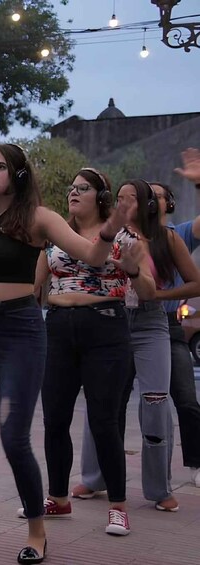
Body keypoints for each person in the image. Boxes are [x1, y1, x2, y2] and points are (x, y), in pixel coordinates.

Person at [0, 142, 133, 563]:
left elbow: (94, 257)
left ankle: (38, 532)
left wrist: (110, 230)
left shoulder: (40, 218)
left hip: (21, 332)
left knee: (13, 437)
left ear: (19, 175)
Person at [33, 169, 154, 537]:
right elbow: (35, 285)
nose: (73, 193)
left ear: (101, 197)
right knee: (54, 418)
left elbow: (147, 291)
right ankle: (57, 497)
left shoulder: (125, 236)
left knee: (103, 421)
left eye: (82, 188)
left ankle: (118, 506)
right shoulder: (54, 236)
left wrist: (133, 271)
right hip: (56, 327)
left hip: (105, 328)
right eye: (71, 187)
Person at [71, 179, 198, 514]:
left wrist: (160, 295)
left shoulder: (166, 238)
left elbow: (195, 282)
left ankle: (159, 488)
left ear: (148, 206)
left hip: (151, 323)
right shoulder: (104, 235)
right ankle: (95, 477)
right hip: (110, 319)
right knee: (102, 401)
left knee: (155, 402)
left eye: (132, 199)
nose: (123, 204)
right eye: (119, 199)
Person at [149, 150, 200, 487]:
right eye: (144, 196)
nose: (150, 201)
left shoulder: (179, 234)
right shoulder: (122, 236)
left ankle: (197, 464)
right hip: (127, 328)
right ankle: (98, 477)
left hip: (166, 328)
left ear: (169, 204)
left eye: (157, 196)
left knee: (186, 399)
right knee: (107, 402)